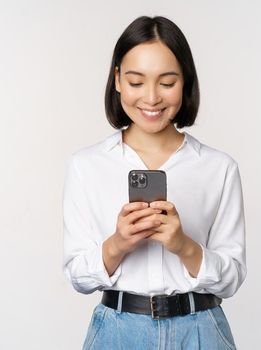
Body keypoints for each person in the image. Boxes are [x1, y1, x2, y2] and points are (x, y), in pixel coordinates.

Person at [62, 16, 246, 350]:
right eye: (136, 81)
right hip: (117, 332)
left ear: (185, 81)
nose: (151, 98)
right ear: (117, 80)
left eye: (167, 82)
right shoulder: (86, 166)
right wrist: (118, 243)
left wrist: (182, 245)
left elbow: (232, 277)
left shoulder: (219, 168)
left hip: (200, 331)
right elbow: (77, 274)